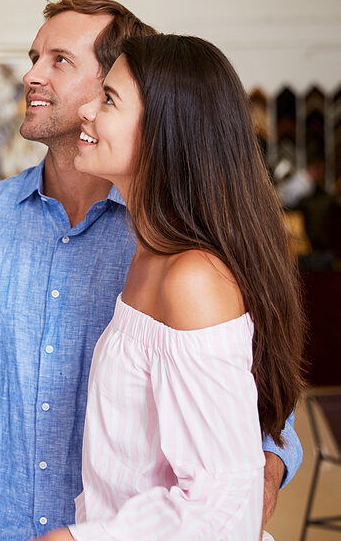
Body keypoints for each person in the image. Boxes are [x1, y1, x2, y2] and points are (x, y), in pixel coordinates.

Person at [0, 0, 303, 541]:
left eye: (60, 60)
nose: (31, 74)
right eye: (34, 55)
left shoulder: (179, 260)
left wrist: (245, 497)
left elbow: (255, 420)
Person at [38, 34, 306, 540]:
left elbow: (226, 501)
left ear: (165, 132)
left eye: (109, 99)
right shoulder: (148, 258)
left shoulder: (193, 280)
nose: (87, 111)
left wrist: (75, 539)